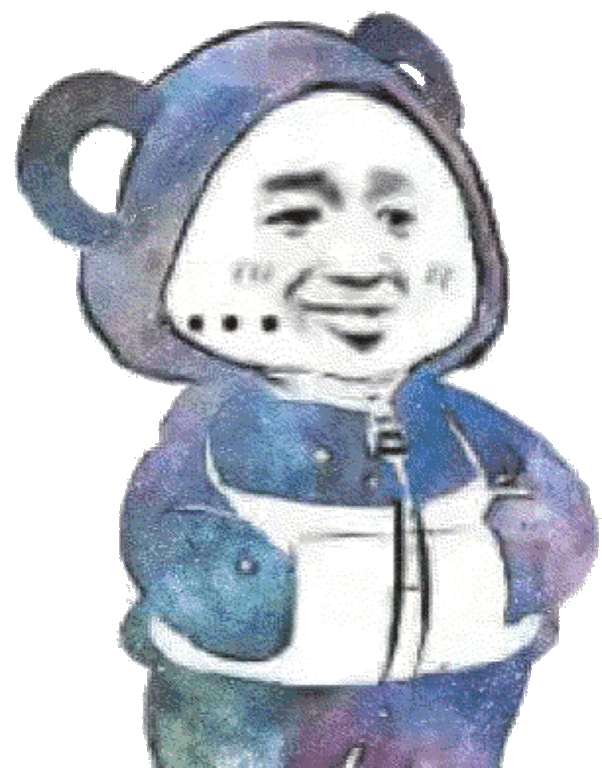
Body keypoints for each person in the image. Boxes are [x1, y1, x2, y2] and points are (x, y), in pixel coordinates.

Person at [17, 15, 597, 767]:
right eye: (294, 216)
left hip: (456, 685)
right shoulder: (210, 436)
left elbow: (561, 511)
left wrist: (524, 555)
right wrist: (256, 594)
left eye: (398, 214)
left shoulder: (468, 428)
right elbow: (173, 537)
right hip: (256, 702)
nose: (360, 264)